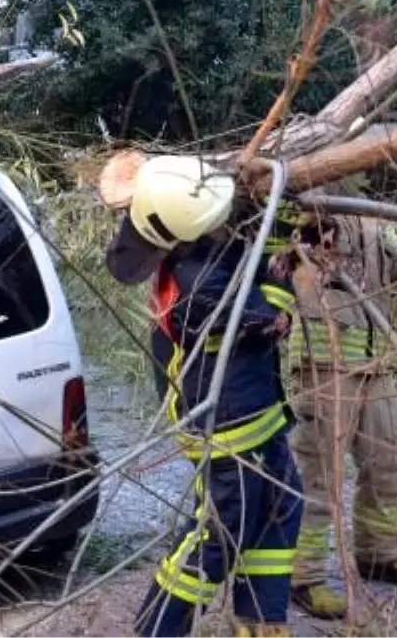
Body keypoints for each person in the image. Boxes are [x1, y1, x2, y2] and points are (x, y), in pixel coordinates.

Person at [102, 154, 302, 638]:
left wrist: (280, 216)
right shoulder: (199, 283)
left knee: (281, 506)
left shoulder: (201, 247)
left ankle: (261, 621)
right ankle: (159, 630)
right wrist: (281, 290)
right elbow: (267, 316)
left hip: (257, 411)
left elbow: (252, 254)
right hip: (226, 423)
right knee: (220, 530)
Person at [283, 212, 397, 620]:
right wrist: (300, 239)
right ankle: (302, 577)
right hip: (323, 364)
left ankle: (378, 556)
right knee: (320, 475)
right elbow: (277, 269)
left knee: (388, 464)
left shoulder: (375, 223)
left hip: (376, 366)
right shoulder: (299, 210)